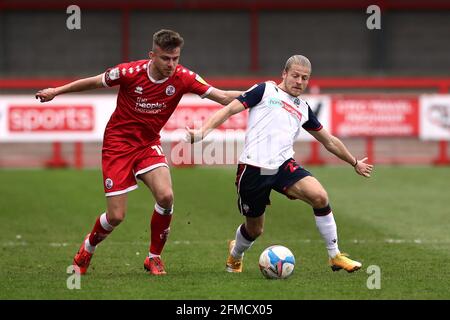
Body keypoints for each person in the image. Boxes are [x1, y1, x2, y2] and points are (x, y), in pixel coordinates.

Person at [35, 29, 242, 276]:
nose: (171, 64)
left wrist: (261, 94)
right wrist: (56, 91)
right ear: (152, 55)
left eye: (176, 58)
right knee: (116, 216)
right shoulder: (128, 72)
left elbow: (222, 96)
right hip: (118, 145)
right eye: (166, 58)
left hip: (147, 144)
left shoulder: (184, 77)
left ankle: (153, 258)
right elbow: (92, 81)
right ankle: (88, 248)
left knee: (166, 196)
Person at [186, 55, 374, 273]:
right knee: (255, 230)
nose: (299, 81)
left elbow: (329, 140)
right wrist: (202, 132)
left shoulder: (303, 108)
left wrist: (354, 162)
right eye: (295, 76)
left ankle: (335, 256)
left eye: (305, 78)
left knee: (320, 197)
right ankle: (235, 255)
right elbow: (229, 109)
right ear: (284, 74)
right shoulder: (264, 90)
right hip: (253, 169)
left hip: (284, 166)